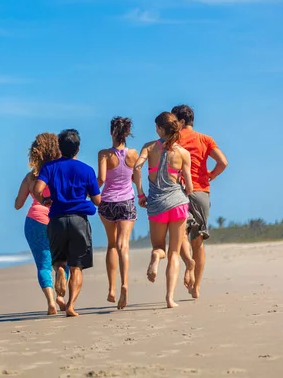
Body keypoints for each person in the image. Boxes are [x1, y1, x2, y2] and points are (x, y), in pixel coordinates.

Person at [33, 129, 101, 317]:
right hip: (79, 220)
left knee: (59, 260)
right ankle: (71, 305)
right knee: (77, 266)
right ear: (77, 148)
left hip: (57, 219)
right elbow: (97, 200)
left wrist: (44, 201)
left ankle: (60, 270)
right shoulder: (87, 170)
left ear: (60, 148)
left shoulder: (50, 168)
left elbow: (38, 189)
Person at [134, 112, 193, 308]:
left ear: (160, 129)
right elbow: (190, 187)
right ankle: (169, 298)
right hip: (178, 205)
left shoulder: (149, 147)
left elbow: (137, 168)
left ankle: (155, 258)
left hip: (157, 205)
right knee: (174, 253)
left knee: (159, 248)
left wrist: (141, 194)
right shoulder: (184, 153)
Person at [171, 105, 228, 299]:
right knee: (199, 240)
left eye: (173, 121)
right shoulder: (205, 139)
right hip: (202, 192)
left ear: (181, 122)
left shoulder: (174, 139)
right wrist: (211, 175)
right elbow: (223, 162)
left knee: (179, 236)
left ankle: (189, 267)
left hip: (179, 191)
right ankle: (196, 287)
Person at [14, 133, 69, 315]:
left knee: (43, 265)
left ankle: (51, 302)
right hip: (58, 219)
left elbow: (18, 204)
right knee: (62, 262)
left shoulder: (31, 176)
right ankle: (62, 294)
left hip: (35, 221)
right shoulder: (60, 172)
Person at [97, 117, 141, 310]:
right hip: (126, 202)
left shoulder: (104, 154)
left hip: (107, 203)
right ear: (126, 133)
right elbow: (136, 178)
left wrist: (86, 192)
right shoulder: (133, 154)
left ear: (111, 133)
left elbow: (101, 179)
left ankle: (112, 288)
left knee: (112, 244)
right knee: (124, 245)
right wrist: (141, 194)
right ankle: (125, 284)